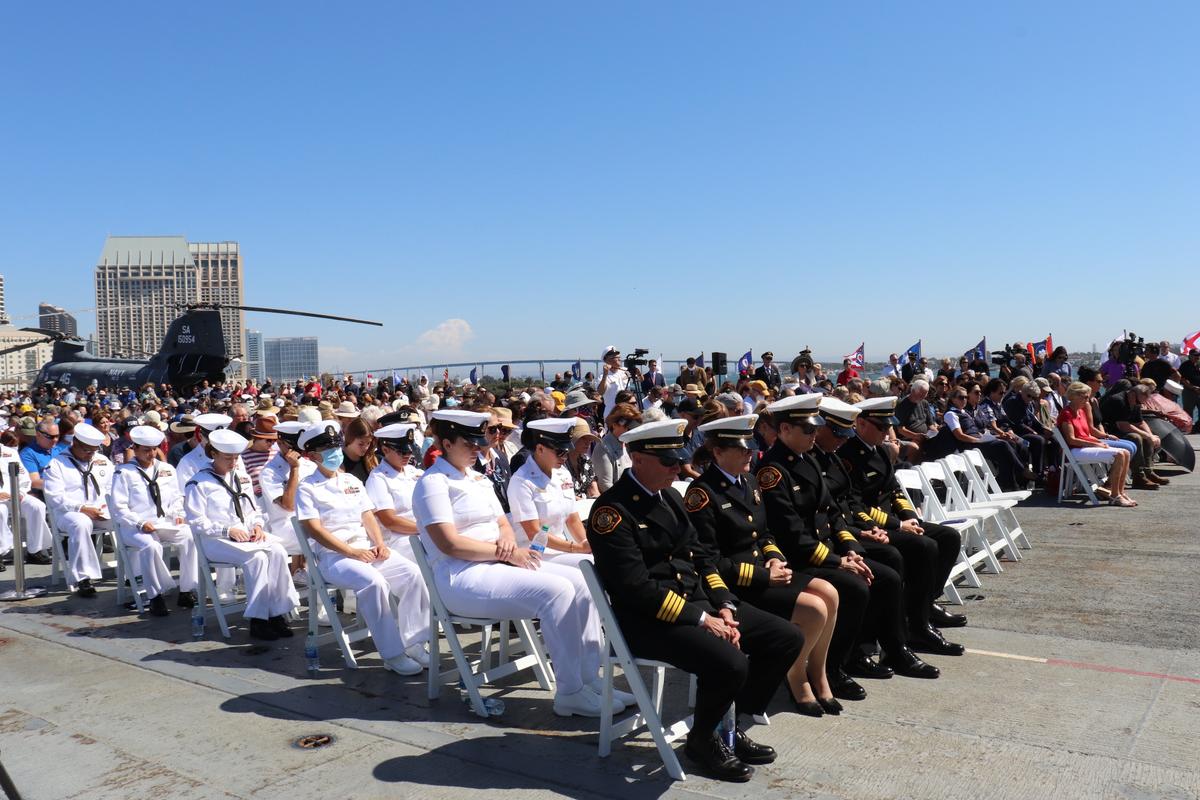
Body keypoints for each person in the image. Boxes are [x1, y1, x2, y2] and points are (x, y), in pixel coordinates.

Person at [587, 418, 802, 782]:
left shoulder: (669, 496)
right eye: (668, 461)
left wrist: (724, 605)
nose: (676, 468)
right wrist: (704, 620)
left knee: (786, 638)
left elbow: (701, 557)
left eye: (677, 460)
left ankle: (729, 726)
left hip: (697, 603)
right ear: (636, 459)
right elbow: (635, 589)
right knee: (731, 663)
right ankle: (702, 741)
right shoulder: (611, 512)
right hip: (649, 620)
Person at [413, 409, 621, 718]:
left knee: (582, 581)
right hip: (460, 576)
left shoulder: (478, 479)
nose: (477, 449)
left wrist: (508, 543)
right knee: (557, 591)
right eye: (468, 444)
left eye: (477, 442)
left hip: (496, 565)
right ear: (446, 442)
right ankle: (570, 692)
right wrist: (506, 553)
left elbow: (503, 522)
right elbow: (449, 544)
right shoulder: (433, 483)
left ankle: (589, 678)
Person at [757, 395, 939, 694]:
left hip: (827, 547)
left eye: (816, 429)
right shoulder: (772, 471)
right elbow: (791, 535)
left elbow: (832, 513)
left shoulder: (809, 459)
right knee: (857, 585)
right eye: (808, 430)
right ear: (785, 429)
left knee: (885, 575)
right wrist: (838, 561)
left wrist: (851, 548)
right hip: (801, 557)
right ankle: (835, 666)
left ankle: (889, 648)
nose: (814, 435)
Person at [685, 414, 840, 718]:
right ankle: (796, 676)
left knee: (829, 593)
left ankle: (818, 673)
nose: (750, 453)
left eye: (750, 447)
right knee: (815, 609)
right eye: (741, 449)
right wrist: (764, 575)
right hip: (737, 583)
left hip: (766, 571)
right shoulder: (702, 494)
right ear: (717, 452)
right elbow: (710, 559)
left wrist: (775, 557)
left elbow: (764, 534)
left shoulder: (750, 481)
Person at [828, 398, 965, 655]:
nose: (886, 432)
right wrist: (898, 524)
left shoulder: (879, 451)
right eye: (881, 427)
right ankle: (916, 626)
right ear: (861, 424)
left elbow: (895, 492)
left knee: (948, 537)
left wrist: (909, 517)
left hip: (896, 521)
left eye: (886, 427)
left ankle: (925, 604)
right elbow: (855, 506)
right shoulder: (847, 457)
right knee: (923, 547)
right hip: (874, 525)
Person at [296, 422, 431, 675]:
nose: (334, 453)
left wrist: (379, 543)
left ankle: (414, 642)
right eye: (327, 449)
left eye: (336, 446)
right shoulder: (307, 488)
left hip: (366, 550)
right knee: (374, 583)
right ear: (313, 456)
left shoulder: (350, 480)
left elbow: (368, 515)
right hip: (334, 557)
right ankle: (392, 654)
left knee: (413, 575)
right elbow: (314, 529)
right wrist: (351, 552)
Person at [184, 429, 300, 641]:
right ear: (213, 454)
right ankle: (258, 620)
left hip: (244, 537)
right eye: (228, 458)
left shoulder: (241, 477)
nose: (233, 463)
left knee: (278, 552)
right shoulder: (199, 482)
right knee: (256, 559)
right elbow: (196, 522)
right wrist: (227, 530)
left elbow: (252, 510)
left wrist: (257, 526)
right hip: (214, 540)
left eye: (236, 458)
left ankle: (276, 612)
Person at [110, 425, 199, 615]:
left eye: (154, 449)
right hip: (134, 527)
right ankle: (155, 596)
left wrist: (178, 515)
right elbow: (119, 508)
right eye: (146, 450)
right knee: (151, 546)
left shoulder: (166, 469)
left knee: (190, 536)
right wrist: (140, 523)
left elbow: (176, 497)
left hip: (162, 522)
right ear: (134, 448)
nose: (151, 454)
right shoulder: (124, 472)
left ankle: (186, 589)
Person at [43, 423, 116, 598]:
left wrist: (107, 506)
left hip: (100, 510)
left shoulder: (102, 461)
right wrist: (81, 508)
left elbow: (113, 487)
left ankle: (133, 572)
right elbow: (55, 497)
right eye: (86, 451)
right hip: (68, 513)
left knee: (128, 521)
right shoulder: (57, 464)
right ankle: (84, 578)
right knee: (81, 523)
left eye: (93, 451)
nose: (91, 455)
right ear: (74, 443)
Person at [507, 418, 592, 563]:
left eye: (567, 451)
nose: (564, 457)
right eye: (560, 452)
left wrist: (586, 545)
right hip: (535, 553)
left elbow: (572, 518)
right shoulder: (521, 481)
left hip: (564, 547)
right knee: (588, 571)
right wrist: (576, 549)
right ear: (540, 449)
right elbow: (533, 532)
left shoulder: (563, 473)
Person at [1059, 383, 1135, 507]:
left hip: (1084, 446)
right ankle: (1115, 496)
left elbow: (1087, 433)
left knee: (1125, 453)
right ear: (1074, 396)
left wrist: (1098, 442)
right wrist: (1097, 445)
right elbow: (1071, 440)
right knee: (1120, 454)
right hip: (1075, 450)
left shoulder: (1080, 412)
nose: (1087, 400)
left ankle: (1120, 493)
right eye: (1085, 397)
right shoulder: (1066, 413)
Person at [258, 420, 316, 577]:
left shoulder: (310, 465)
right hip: (284, 527)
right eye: (293, 447)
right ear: (280, 442)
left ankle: (311, 573)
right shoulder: (269, 472)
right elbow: (288, 505)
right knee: (323, 535)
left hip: (308, 520)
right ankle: (314, 575)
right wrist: (294, 469)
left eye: (300, 448)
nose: (297, 453)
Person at [1100, 383, 1168, 489]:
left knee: (1148, 437)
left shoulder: (1135, 402)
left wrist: (1150, 435)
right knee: (1136, 437)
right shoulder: (1118, 400)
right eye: (1137, 402)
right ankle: (1138, 476)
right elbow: (1123, 426)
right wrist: (1146, 435)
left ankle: (1148, 471)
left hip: (1122, 430)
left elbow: (1140, 422)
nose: (1138, 405)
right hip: (1110, 432)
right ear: (1132, 393)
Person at [594, 403, 640, 492]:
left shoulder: (629, 445)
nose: (631, 431)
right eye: (628, 428)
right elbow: (605, 485)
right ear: (614, 425)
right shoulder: (603, 448)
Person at [565, 418, 600, 498]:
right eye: (583, 438)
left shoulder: (587, 461)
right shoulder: (560, 462)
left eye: (589, 439)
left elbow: (594, 490)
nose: (588, 442)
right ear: (572, 439)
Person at [340, 417, 377, 483]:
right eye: (361, 444)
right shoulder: (339, 461)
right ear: (350, 439)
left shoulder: (370, 458)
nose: (366, 448)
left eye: (368, 443)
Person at [597, 346, 633, 412]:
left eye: (619, 357)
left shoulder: (625, 371)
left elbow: (640, 380)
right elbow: (600, 392)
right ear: (607, 361)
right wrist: (605, 375)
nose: (619, 359)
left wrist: (638, 374)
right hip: (612, 411)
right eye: (616, 358)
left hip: (627, 409)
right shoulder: (602, 375)